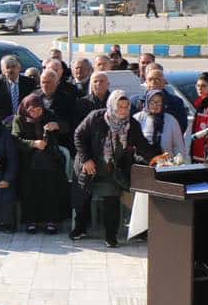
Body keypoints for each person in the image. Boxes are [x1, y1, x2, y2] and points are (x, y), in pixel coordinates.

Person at [70, 91, 160, 247]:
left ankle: (110, 236)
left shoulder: (132, 124)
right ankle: (80, 228)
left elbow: (143, 147)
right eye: (119, 107)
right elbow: (79, 135)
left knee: (112, 200)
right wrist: (86, 159)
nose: (123, 110)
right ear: (112, 105)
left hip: (113, 168)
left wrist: (157, 159)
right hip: (89, 165)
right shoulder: (96, 117)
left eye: (126, 107)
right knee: (83, 199)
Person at [12, 93, 70, 234]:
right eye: (32, 110)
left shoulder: (49, 114)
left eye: (39, 110)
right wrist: (33, 143)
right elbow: (15, 139)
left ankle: (52, 221)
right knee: (30, 186)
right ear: (26, 109)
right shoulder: (19, 119)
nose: (36, 113)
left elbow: (67, 128)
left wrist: (56, 125)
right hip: (28, 159)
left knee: (52, 186)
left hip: (50, 158)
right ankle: (31, 221)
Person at [136, 90, 183, 160]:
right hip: (143, 164)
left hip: (167, 164)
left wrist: (179, 162)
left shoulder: (171, 120)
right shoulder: (138, 118)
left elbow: (179, 146)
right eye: (152, 102)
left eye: (158, 102)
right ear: (147, 102)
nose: (155, 105)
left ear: (163, 103)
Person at [0, 55, 36, 121]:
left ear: (19, 68)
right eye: (7, 67)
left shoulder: (29, 82)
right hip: (5, 121)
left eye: (13, 67)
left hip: (25, 121)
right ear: (3, 70)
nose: (10, 70)